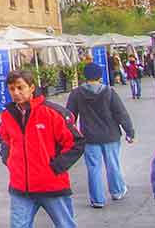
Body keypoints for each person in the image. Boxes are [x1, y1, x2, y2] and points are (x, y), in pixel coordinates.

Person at [0, 69, 84, 228]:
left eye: (20, 87)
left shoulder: (52, 113)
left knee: (65, 225)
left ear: (31, 88)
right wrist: (9, 159)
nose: (16, 92)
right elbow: (4, 139)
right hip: (20, 188)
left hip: (51, 185)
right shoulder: (7, 115)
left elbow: (75, 142)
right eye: (11, 89)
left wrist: (56, 166)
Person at [65, 62, 135, 209]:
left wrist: (70, 135)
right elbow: (121, 113)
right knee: (113, 164)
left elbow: (69, 117)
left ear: (85, 76)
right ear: (100, 76)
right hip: (110, 135)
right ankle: (117, 191)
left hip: (89, 137)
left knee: (93, 167)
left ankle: (97, 199)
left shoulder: (76, 93)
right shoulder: (109, 92)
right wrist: (129, 131)